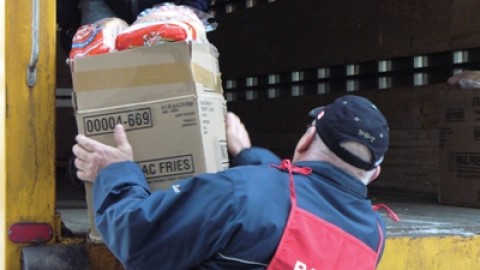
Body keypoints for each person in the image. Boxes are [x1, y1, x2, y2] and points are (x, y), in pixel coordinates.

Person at [72, 95, 392, 269]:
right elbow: (301, 196)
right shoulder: (374, 235)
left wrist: (114, 171)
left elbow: (137, 236)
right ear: (373, 174)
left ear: (307, 139)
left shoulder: (238, 194)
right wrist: (250, 154)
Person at [57, 0, 212, 55]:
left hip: (165, 9)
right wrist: (70, 28)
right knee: (96, 59)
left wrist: (191, 12)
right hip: (102, 5)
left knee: (165, 64)